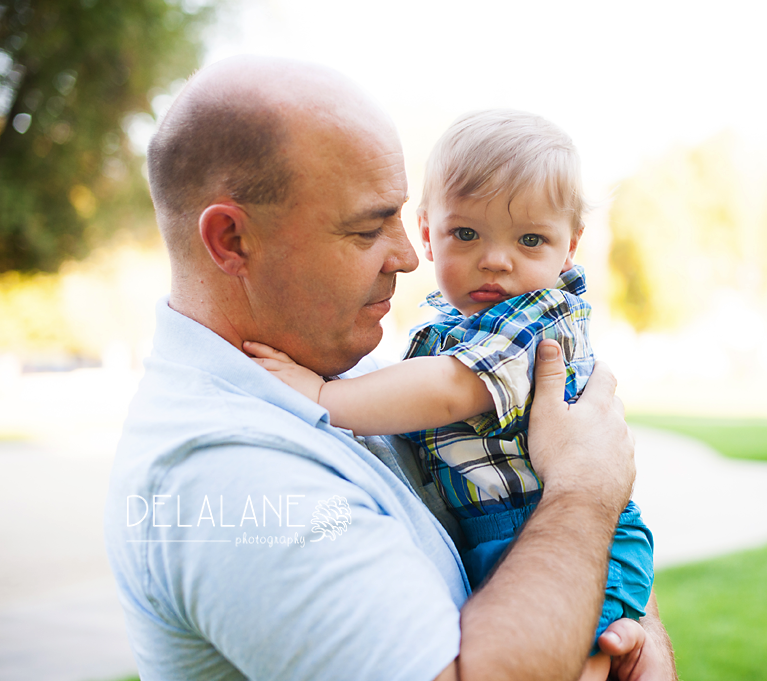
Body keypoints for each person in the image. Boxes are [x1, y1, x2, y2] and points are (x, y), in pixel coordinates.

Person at [103, 56, 676, 681]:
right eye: (367, 229)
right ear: (234, 241)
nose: (408, 257)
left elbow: (587, 559)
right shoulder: (224, 475)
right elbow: (580, 505)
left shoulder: (357, 366)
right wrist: (587, 490)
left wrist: (636, 636)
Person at [245, 110, 655, 679]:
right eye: (467, 233)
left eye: (530, 239)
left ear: (569, 249)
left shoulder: (538, 318)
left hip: (554, 531)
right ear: (429, 235)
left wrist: (322, 394)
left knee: (576, 663)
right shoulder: (449, 319)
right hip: (503, 529)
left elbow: (449, 389)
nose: (495, 258)